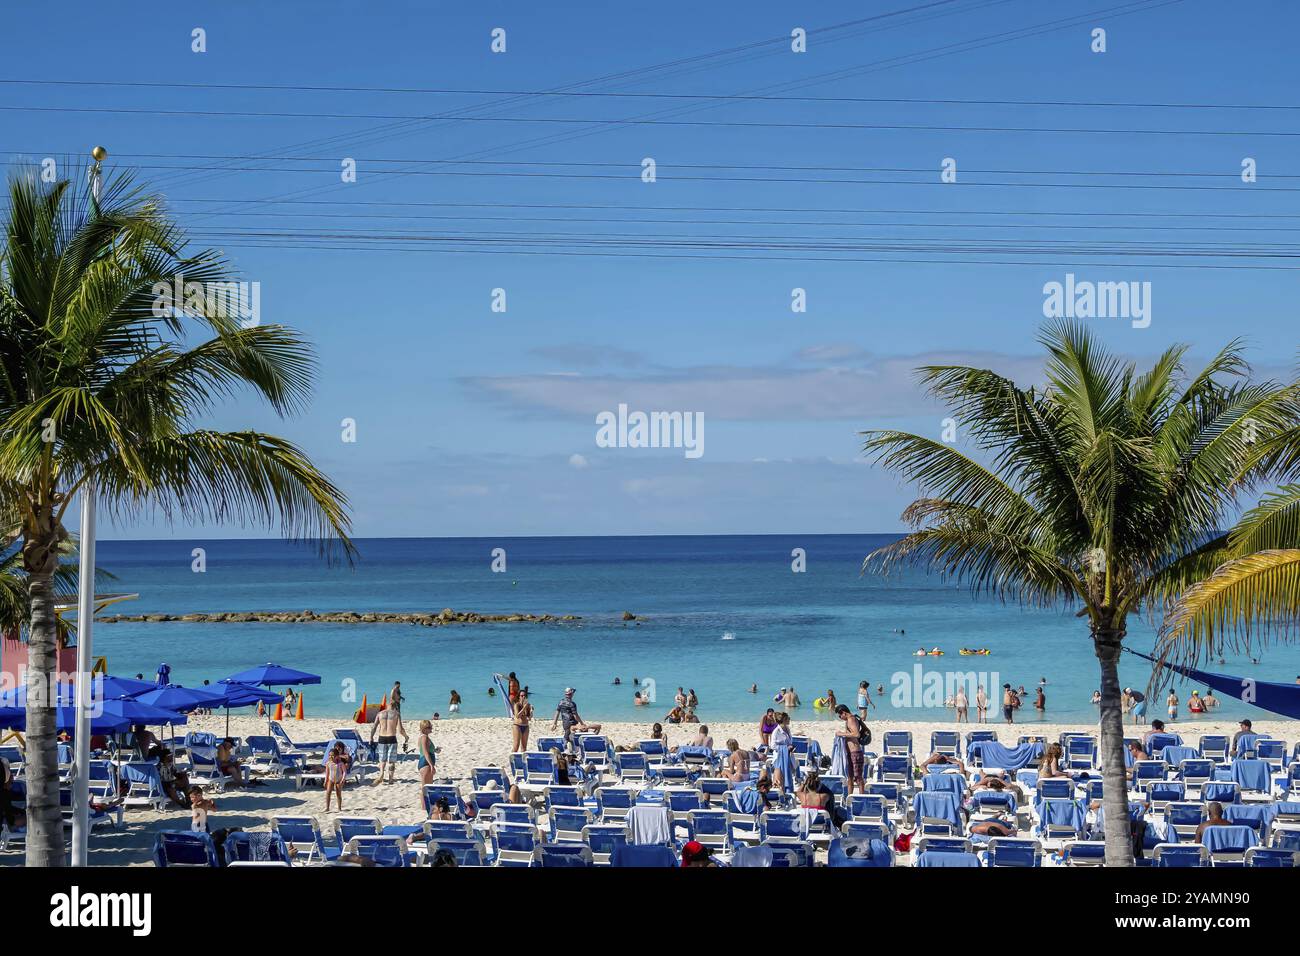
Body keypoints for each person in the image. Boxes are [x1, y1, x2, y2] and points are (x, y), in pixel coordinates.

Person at [369, 702, 408, 784]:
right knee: (391, 761)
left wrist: (371, 737)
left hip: (382, 738)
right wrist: (406, 737)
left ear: (387, 706)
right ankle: (390, 779)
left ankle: (381, 774)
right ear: (395, 707)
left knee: (382, 759)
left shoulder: (380, 714)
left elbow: (374, 727)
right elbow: (400, 730)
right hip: (392, 738)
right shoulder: (396, 714)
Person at [834, 704, 868, 794]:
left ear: (844, 713)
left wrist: (841, 734)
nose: (840, 717)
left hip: (855, 752)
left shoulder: (851, 719)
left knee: (858, 778)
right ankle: (849, 798)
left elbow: (856, 734)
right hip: (850, 752)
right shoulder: (849, 720)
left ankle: (862, 797)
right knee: (850, 778)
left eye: (840, 715)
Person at [770, 712, 796, 794]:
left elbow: (789, 741)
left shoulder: (787, 729)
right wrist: (785, 748)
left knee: (789, 775)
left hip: (788, 756)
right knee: (781, 777)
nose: (789, 719)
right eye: (788, 717)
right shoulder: (776, 731)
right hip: (780, 757)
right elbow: (772, 746)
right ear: (784, 719)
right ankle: (782, 793)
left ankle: (788, 792)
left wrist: (790, 747)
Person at [323, 743, 348, 811]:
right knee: (328, 793)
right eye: (330, 755)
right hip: (331, 779)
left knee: (338, 794)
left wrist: (343, 779)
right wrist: (325, 781)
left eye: (333, 755)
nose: (331, 757)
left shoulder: (340, 764)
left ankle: (339, 808)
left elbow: (345, 772)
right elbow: (327, 773)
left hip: (339, 780)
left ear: (337, 756)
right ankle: (327, 807)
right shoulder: (328, 763)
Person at [416, 720, 437, 785]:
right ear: (424, 729)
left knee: (428, 789)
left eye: (431, 726)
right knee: (425, 789)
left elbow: (427, 750)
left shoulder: (424, 737)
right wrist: (431, 765)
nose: (431, 728)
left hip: (425, 762)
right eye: (429, 727)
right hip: (426, 763)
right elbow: (425, 752)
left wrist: (435, 750)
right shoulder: (424, 737)